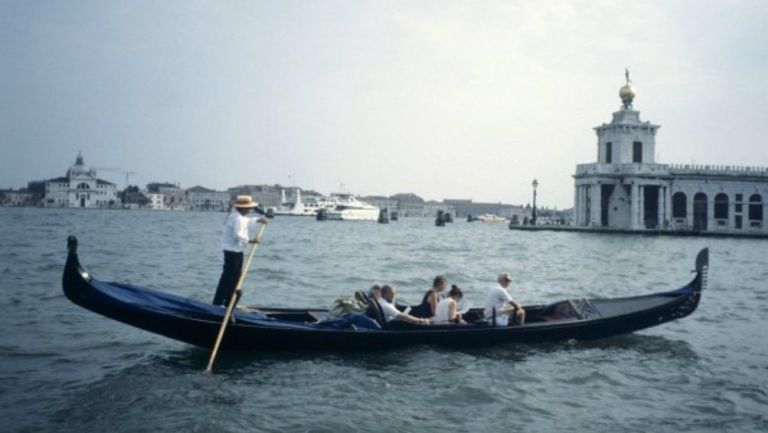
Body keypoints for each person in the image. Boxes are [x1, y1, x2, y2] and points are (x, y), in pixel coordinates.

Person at [212, 195, 268, 306]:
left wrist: (258, 220)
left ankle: (224, 302)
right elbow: (238, 235)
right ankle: (224, 303)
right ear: (242, 208)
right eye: (248, 208)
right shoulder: (236, 218)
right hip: (232, 252)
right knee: (231, 278)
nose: (250, 210)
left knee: (232, 277)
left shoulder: (238, 216)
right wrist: (251, 241)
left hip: (235, 251)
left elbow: (247, 221)